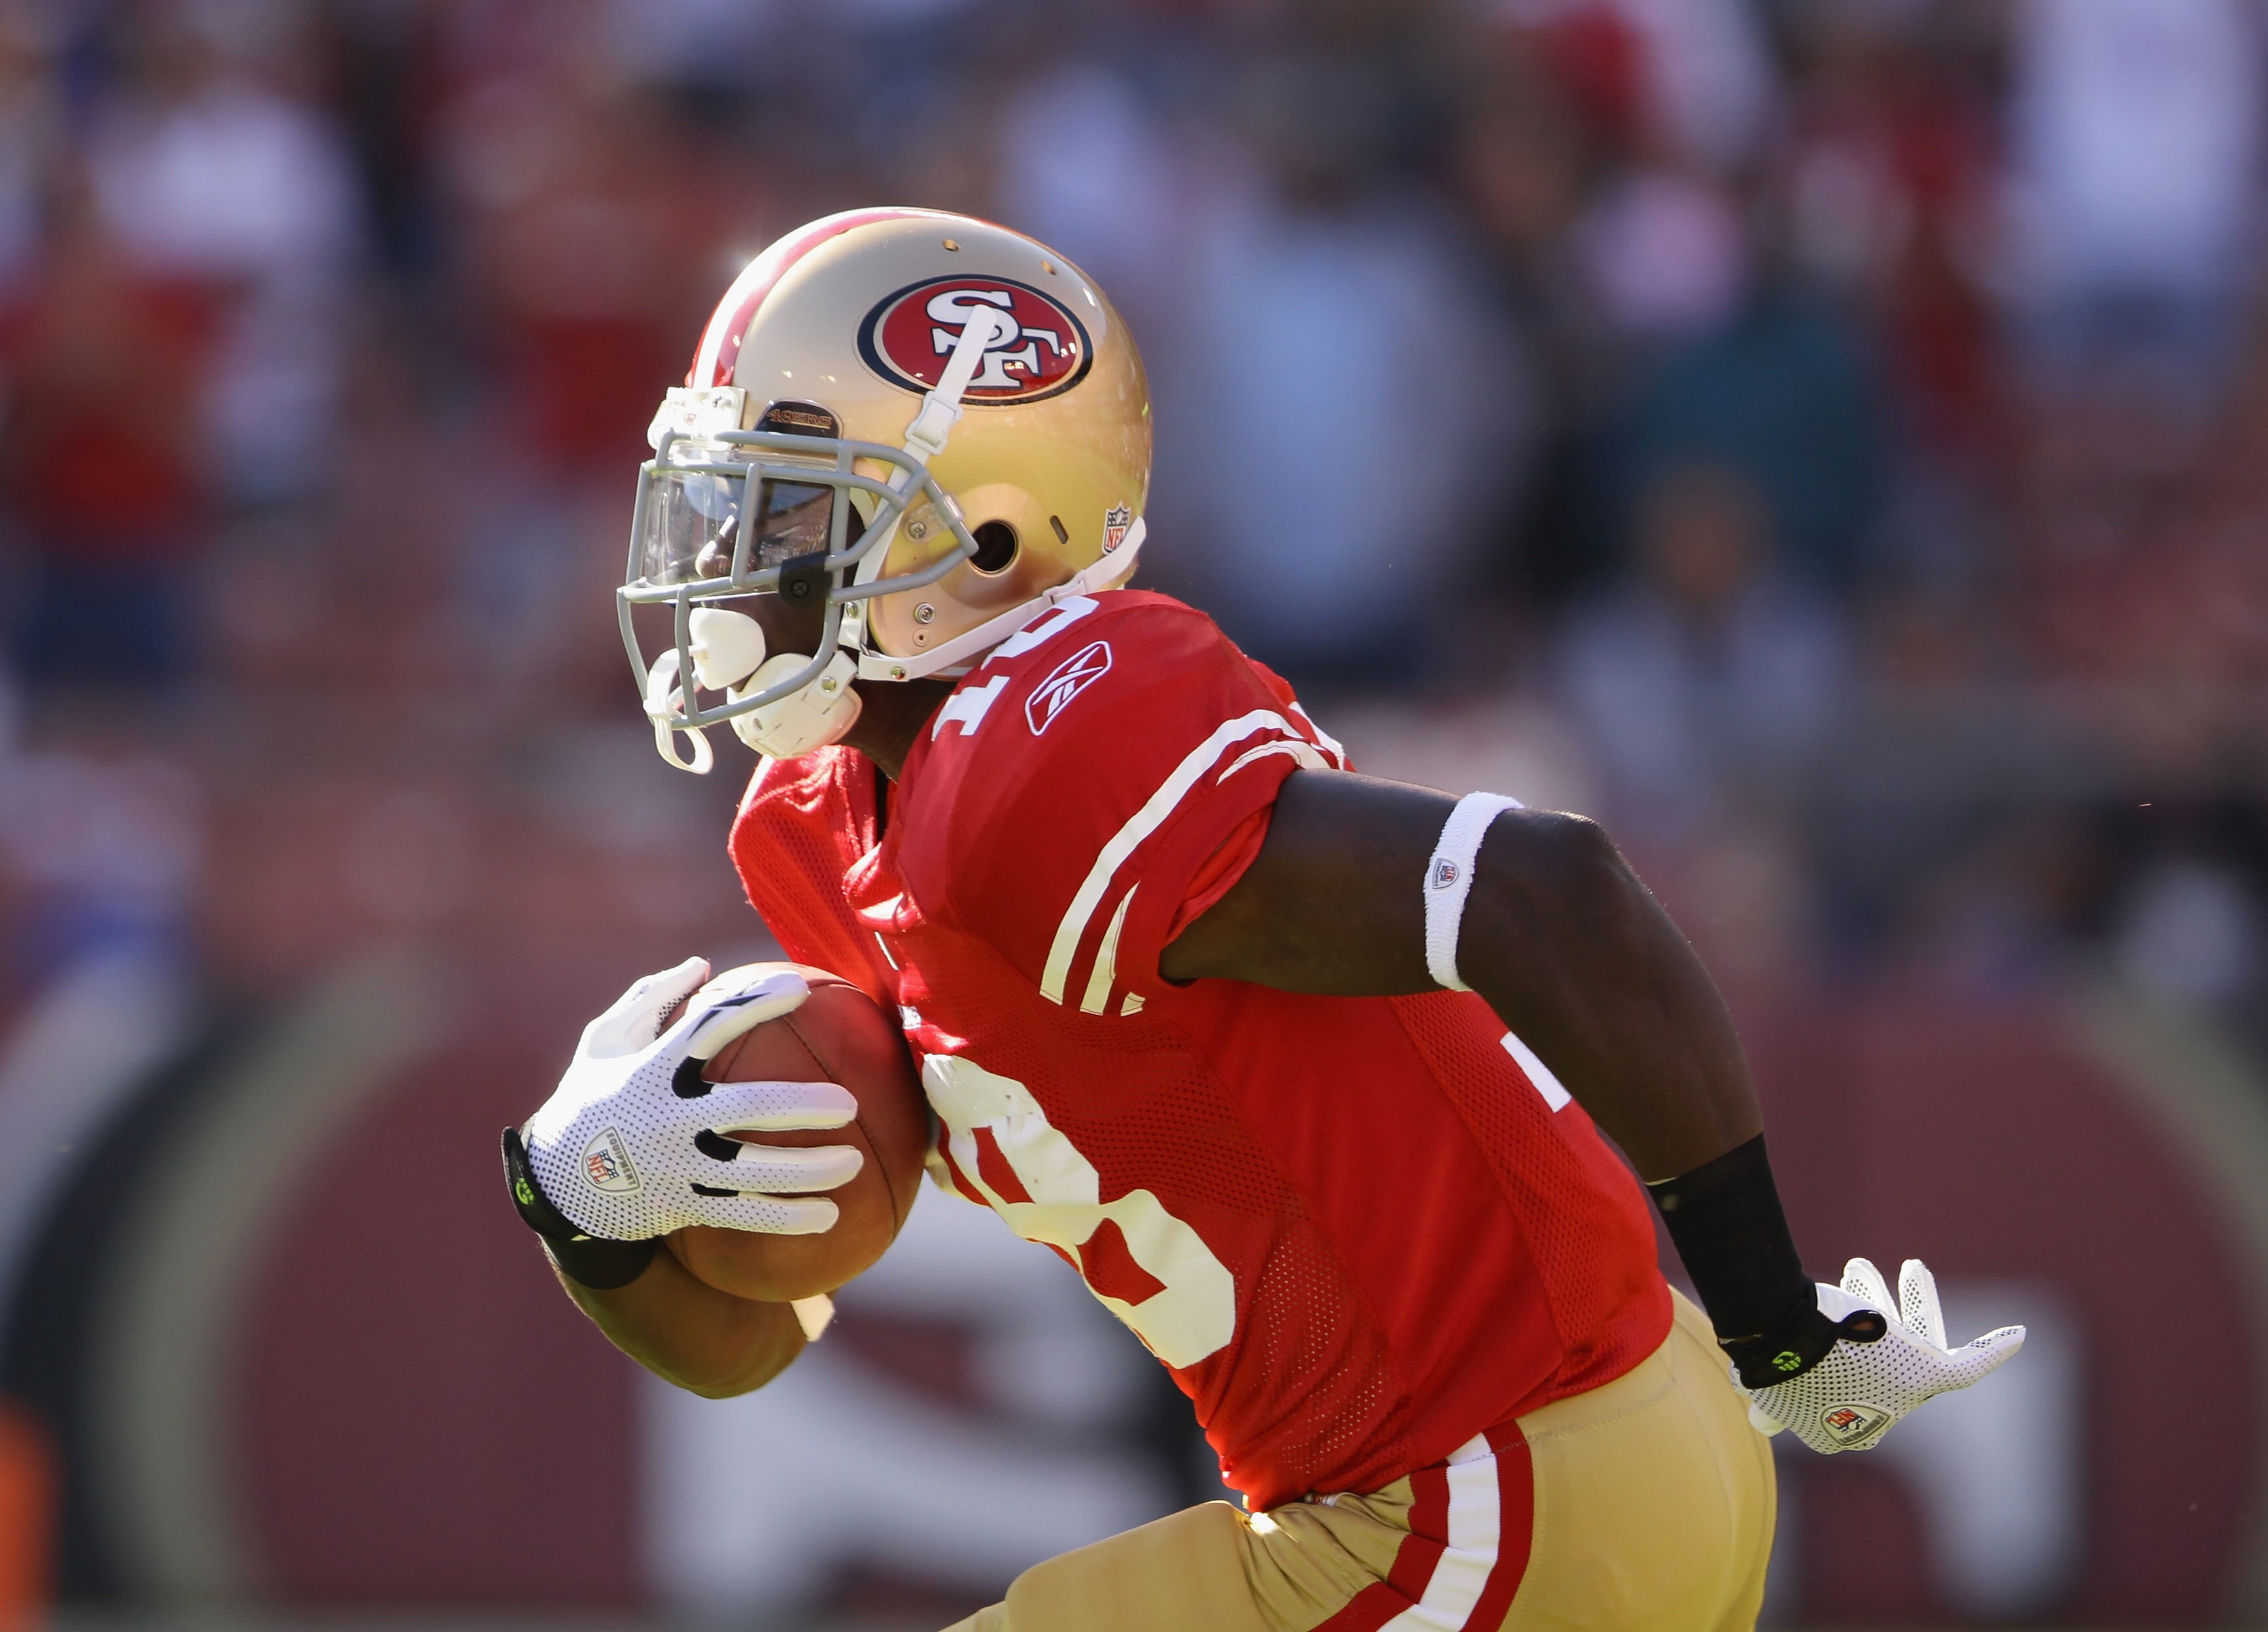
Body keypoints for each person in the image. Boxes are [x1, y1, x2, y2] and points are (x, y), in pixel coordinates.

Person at [501, 211, 2021, 1631]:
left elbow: (1558, 895)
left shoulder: (1044, 746)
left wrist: (1780, 1331)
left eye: (780, 510)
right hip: (1513, 1473)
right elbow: (753, 1341)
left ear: (981, 537)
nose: (717, 565)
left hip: (1492, 1490)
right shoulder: (823, 829)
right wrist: (581, 1200)